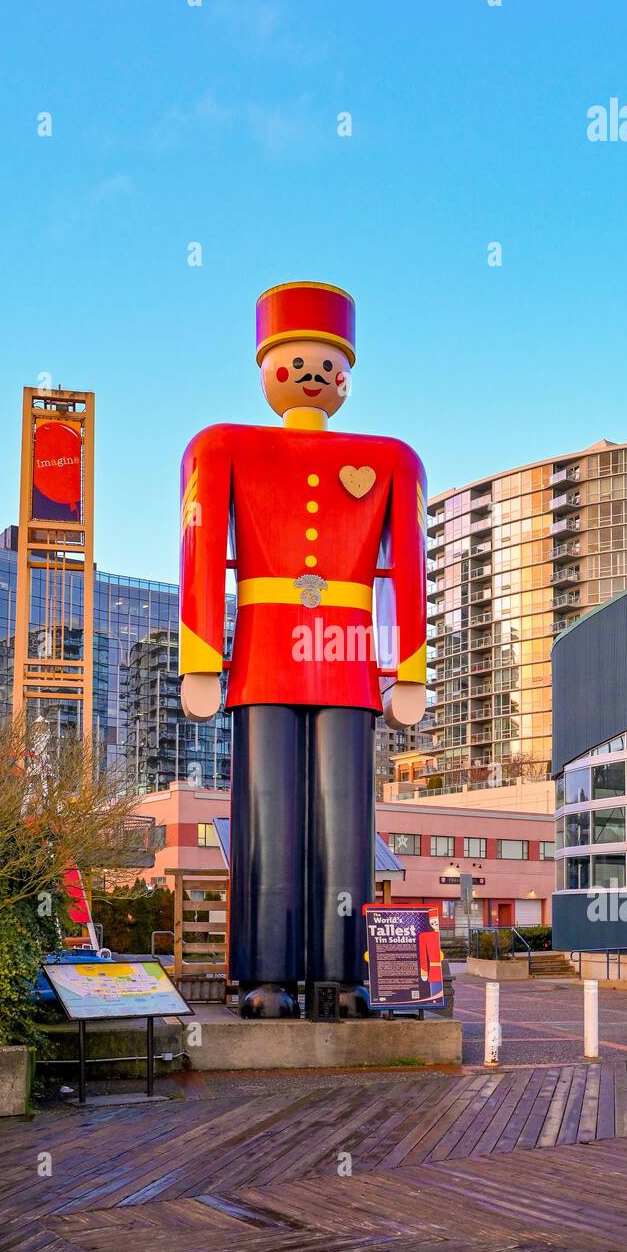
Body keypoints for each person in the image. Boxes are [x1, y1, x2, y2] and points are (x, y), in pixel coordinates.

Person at [179, 282, 427, 1017]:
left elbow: (410, 565)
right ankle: (264, 973)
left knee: (344, 821)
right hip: (262, 656)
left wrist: (408, 667)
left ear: (347, 373)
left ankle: (339, 973)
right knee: (268, 816)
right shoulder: (223, 445)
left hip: (348, 661)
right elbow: (200, 550)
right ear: (265, 368)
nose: (313, 375)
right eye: (295, 361)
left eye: (328, 362)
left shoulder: (390, 459)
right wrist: (201, 656)